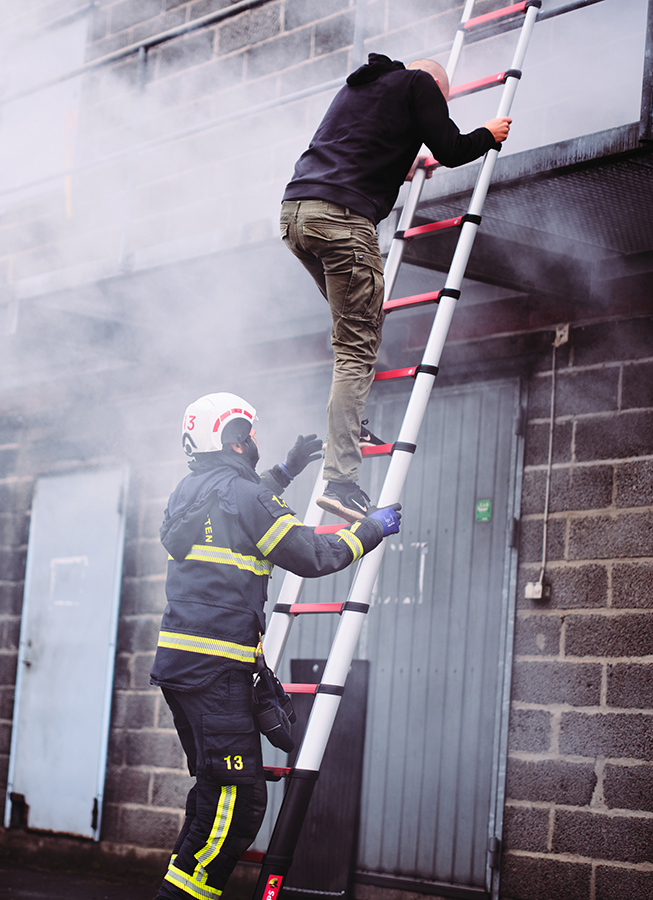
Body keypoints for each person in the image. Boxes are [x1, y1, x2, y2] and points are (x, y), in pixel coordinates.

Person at [150, 392, 401, 900]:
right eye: (250, 435)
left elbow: (234, 507)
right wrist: (371, 530)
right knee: (236, 807)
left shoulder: (189, 491)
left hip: (185, 671)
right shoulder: (246, 499)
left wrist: (285, 472)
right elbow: (309, 554)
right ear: (233, 440)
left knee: (212, 799)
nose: (255, 441)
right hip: (217, 674)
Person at [280, 54, 512, 523]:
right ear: (438, 88)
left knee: (359, 322)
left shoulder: (360, 88)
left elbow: (361, 145)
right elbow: (449, 147)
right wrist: (489, 134)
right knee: (355, 346)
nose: (437, 107)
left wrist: (400, 168)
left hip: (296, 214)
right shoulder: (421, 85)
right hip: (343, 222)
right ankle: (341, 483)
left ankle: (352, 426)